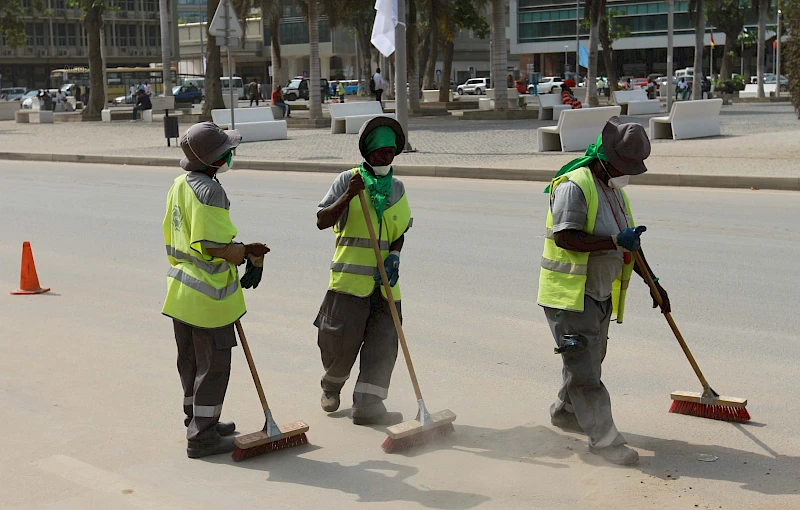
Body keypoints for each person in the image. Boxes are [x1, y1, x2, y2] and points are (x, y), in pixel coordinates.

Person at [538, 117, 671, 466]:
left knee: (590, 362)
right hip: (570, 296)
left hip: (597, 295)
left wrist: (653, 282)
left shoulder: (616, 192)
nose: (626, 173)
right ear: (603, 157)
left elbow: (631, 246)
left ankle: (566, 412)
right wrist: (613, 241)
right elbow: (565, 238)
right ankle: (605, 442)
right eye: (622, 166)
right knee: (585, 372)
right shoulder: (574, 186)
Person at [163, 121, 270, 458]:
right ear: (213, 159)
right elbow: (213, 245)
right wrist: (246, 253)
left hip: (181, 292)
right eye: (228, 151)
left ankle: (198, 419)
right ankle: (203, 437)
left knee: (191, 362)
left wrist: (242, 249)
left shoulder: (180, 184)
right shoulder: (210, 191)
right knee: (214, 366)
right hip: (208, 298)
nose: (232, 154)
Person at [314, 116, 411, 426]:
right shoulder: (347, 179)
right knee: (340, 343)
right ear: (367, 151)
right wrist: (349, 195)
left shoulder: (397, 187)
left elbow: (400, 229)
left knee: (383, 345)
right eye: (380, 152)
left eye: (391, 152)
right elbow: (322, 220)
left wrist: (394, 255)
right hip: (349, 282)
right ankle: (331, 387)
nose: (386, 157)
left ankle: (368, 405)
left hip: (384, 285)